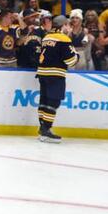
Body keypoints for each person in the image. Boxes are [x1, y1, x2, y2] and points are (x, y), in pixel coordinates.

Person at [36, 15, 78, 143]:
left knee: (44, 101)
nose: (69, 27)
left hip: (43, 73)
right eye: (68, 25)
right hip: (55, 74)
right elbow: (71, 61)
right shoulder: (63, 39)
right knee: (53, 102)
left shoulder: (47, 37)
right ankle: (46, 130)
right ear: (63, 25)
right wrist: (76, 54)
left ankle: (43, 128)